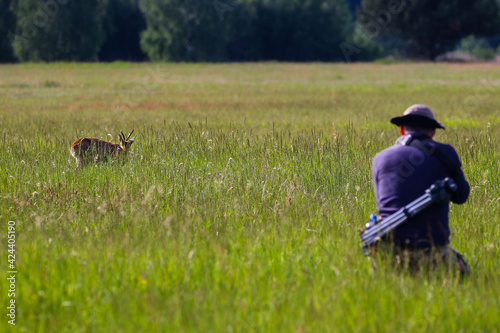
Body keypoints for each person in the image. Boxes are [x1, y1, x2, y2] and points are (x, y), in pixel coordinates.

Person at [371, 104, 470, 275]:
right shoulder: (445, 153)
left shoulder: (380, 159)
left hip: (388, 257)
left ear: (402, 130)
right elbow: (461, 196)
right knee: (465, 274)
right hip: (433, 255)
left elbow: (383, 205)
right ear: (433, 132)